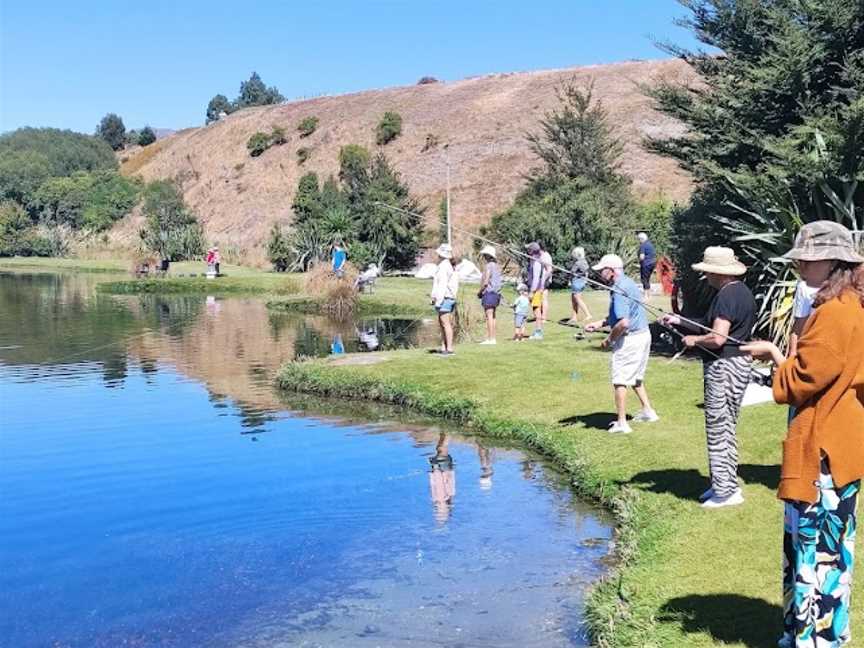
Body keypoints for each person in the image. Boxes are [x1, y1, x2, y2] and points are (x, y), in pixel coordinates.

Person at [741, 221, 864, 648]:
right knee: (833, 551)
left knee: (817, 551)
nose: (797, 264)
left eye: (805, 258)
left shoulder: (834, 313)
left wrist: (774, 354)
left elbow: (802, 380)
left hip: (823, 456)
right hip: (840, 448)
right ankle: (825, 633)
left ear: (833, 261)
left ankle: (815, 640)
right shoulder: (849, 305)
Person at [661, 246, 755, 508]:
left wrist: (693, 340)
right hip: (739, 363)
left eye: (707, 272)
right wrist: (678, 321)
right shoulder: (740, 292)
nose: (705, 277)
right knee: (727, 424)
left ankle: (725, 492)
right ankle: (724, 483)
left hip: (724, 367)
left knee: (718, 426)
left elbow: (717, 337)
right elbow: (710, 324)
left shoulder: (726, 296)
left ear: (717, 272)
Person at [585, 254, 658, 434]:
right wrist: (600, 323)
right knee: (636, 377)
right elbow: (623, 315)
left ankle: (622, 423)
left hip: (631, 338)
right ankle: (648, 411)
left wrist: (610, 339)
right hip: (643, 335)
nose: (600, 273)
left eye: (602, 270)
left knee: (620, 380)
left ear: (611, 270)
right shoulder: (628, 283)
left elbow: (624, 322)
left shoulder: (618, 288)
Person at [430, 243, 459, 356]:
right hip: (448, 298)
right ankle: (444, 347)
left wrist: (438, 301)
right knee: (442, 323)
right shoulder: (448, 265)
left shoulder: (443, 266)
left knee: (445, 323)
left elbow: (442, 285)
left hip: (445, 298)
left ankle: (449, 349)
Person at [477, 244, 503, 345]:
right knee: (493, 316)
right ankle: (493, 338)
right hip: (496, 294)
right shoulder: (497, 266)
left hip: (489, 293)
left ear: (488, 255)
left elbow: (486, 282)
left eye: (484, 255)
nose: (483, 257)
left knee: (489, 316)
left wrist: (480, 292)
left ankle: (491, 339)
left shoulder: (489, 266)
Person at [787, 278, 819, 358]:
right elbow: (799, 326)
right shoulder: (805, 287)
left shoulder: (848, 286)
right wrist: (792, 355)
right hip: (813, 348)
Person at [569, 247, 592, 326]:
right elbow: (586, 272)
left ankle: (588, 315)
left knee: (577, 299)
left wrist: (571, 277)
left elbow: (572, 272)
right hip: (581, 283)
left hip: (577, 283)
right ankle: (574, 317)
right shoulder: (584, 261)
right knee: (574, 300)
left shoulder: (578, 263)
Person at [526, 242, 545, 339]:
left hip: (536, 290)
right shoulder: (535, 261)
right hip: (538, 289)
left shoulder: (537, 263)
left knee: (536, 310)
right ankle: (537, 331)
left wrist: (532, 292)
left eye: (528, 249)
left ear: (531, 251)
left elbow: (536, 278)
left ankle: (538, 332)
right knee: (535, 310)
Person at [637, 232, 656, 301]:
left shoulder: (643, 245)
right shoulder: (650, 244)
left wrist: (639, 262)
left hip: (646, 264)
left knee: (644, 279)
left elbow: (642, 257)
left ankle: (645, 296)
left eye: (639, 239)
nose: (639, 241)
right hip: (652, 263)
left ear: (642, 239)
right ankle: (649, 295)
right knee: (648, 279)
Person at [539, 243, 554, 326]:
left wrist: (543, 280)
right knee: (540, 298)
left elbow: (549, 270)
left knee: (544, 298)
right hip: (541, 280)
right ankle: (540, 316)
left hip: (545, 280)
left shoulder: (545, 256)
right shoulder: (541, 256)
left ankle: (544, 317)